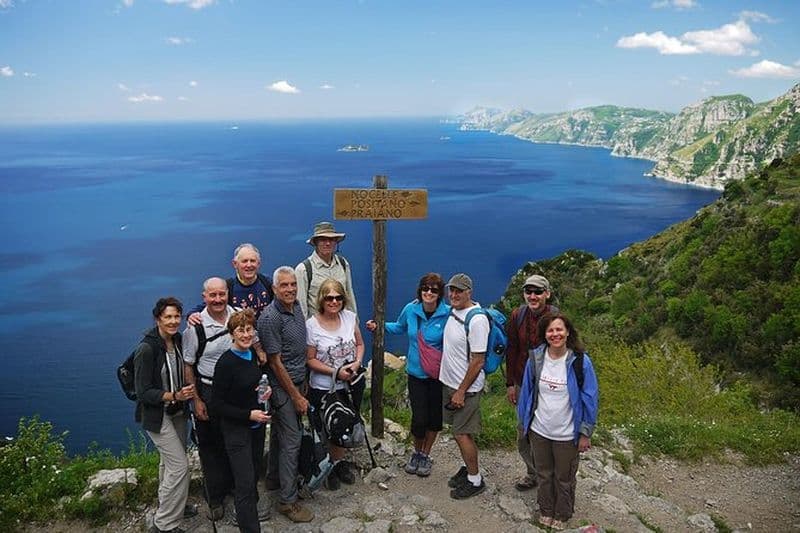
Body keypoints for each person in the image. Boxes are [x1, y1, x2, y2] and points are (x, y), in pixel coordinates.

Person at [517, 313, 599, 531]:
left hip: (567, 434)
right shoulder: (536, 359)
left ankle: (562, 513)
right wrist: (524, 423)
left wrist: (585, 433)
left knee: (564, 477)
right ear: (544, 334)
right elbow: (526, 393)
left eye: (559, 329)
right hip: (539, 430)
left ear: (568, 332)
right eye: (550, 330)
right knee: (543, 474)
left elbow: (590, 398)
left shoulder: (579, 362)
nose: (555, 334)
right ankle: (546, 510)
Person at [365, 272, 449, 477]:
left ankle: (425, 455)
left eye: (434, 290)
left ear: (440, 293)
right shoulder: (411, 310)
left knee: (434, 419)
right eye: (425, 288)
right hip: (415, 374)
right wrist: (379, 326)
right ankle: (417, 452)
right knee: (419, 419)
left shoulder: (448, 314)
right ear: (420, 291)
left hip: (438, 376)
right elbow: (400, 326)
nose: (429, 292)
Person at [256, 266, 315, 523]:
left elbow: (298, 350)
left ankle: (273, 479)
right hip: (282, 388)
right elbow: (275, 362)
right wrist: (296, 396)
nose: (290, 289)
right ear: (274, 288)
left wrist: (304, 382)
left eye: (293, 284)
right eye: (284, 285)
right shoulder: (270, 317)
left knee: (280, 437)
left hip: (298, 381)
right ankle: (287, 501)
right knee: (292, 440)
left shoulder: (297, 307)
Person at [134, 297, 196, 533]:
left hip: (177, 411)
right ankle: (165, 525)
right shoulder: (147, 349)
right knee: (179, 466)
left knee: (168, 465)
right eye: (168, 317)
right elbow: (143, 392)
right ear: (157, 318)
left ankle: (172, 504)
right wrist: (174, 395)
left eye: (176, 316)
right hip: (157, 414)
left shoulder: (178, 341)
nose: (173, 321)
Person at [209, 309, 271, 533]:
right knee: (244, 483)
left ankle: (249, 515)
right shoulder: (226, 363)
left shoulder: (251, 354)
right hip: (236, 430)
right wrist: (248, 415)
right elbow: (217, 405)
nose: (246, 335)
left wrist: (265, 392)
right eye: (240, 331)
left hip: (256, 428)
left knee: (252, 477)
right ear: (231, 334)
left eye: (249, 330)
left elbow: (252, 386)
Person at [181, 278, 238, 521]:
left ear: (228, 294)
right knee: (209, 446)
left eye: (221, 294)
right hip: (209, 390)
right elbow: (188, 365)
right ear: (204, 297)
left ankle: (234, 487)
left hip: (235, 392)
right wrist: (196, 400)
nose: (217, 299)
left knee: (234, 441)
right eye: (212, 295)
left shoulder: (238, 317)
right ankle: (215, 497)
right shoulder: (195, 328)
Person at [305, 279, 365, 490]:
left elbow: (360, 344)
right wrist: (335, 372)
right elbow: (310, 359)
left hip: (349, 384)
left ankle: (338, 464)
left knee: (344, 424)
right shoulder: (312, 325)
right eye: (329, 298)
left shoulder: (349, 317)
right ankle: (326, 465)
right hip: (323, 386)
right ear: (322, 299)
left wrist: (357, 363)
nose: (334, 302)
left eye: (338, 297)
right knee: (326, 426)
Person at [505, 274, 559, 491]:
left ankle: (551, 475)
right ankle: (533, 473)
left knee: (548, 430)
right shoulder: (517, 316)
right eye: (529, 291)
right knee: (523, 430)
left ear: (547, 294)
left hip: (549, 384)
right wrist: (510, 383)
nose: (533, 296)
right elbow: (512, 349)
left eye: (538, 292)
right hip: (522, 382)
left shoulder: (556, 318)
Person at [439, 273, 490, 499]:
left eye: (459, 291)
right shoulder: (454, 311)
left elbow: (478, 360)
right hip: (450, 384)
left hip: (465, 389)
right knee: (460, 432)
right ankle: (467, 467)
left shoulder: (477, 320)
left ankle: (475, 480)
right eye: (451, 290)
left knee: (461, 434)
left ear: (469, 292)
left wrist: (461, 391)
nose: (454, 294)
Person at [295, 221, 357, 319]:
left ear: (336, 242)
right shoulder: (303, 269)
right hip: (316, 326)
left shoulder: (343, 264)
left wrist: (354, 322)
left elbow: (349, 296)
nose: (327, 243)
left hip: (343, 324)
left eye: (331, 239)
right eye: (323, 240)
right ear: (316, 243)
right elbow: (301, 305)